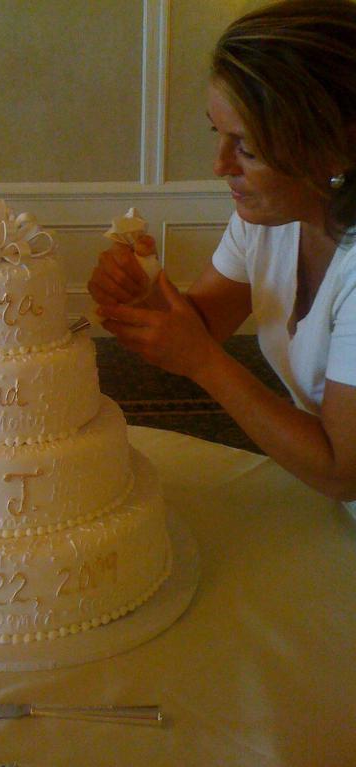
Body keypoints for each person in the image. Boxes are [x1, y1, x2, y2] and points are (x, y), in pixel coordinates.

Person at [88, 0, 356, 512]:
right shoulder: (272, 217)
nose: (218, 165)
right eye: (219, 134)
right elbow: (205, 322)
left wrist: (205, 363)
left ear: (336, 150)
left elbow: (343, 473)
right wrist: (151, 300)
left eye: (247, 149)